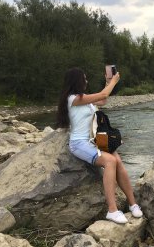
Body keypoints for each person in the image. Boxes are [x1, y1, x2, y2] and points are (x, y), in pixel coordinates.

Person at [56, 67, 142, 224]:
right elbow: (103, 94)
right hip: (79, 144)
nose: (86, 81)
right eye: (84, 78)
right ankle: (112, 210)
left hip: (92, 140)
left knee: (118, 160)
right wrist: (114, 82)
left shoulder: (84, 98)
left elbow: (102, 100)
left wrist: (108, 82)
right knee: (110, 161)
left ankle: (132, 204)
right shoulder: (72, 99)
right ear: (77, 81)